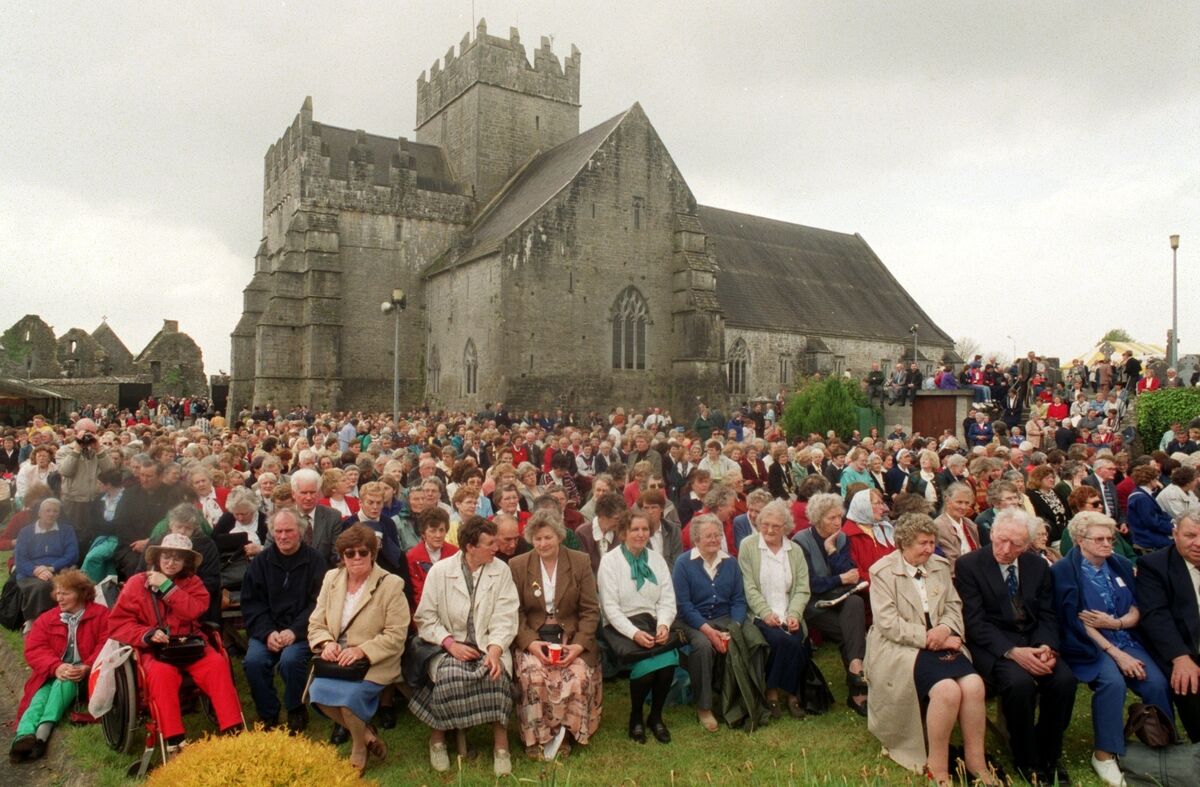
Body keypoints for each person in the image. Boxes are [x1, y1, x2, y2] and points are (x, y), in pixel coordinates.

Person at [864, 513, 997, 786]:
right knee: (946, 690)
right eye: (922, 543)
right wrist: (929, 639)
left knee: (973, 685)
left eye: (932, 542)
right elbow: (887, 623)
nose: (928, 548)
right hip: (900, 645)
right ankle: (937, 767)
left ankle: (976, 761)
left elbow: (953, 605)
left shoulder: (939, 565)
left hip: (942, 637)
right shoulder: (881, 571)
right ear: (903, 543)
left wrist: (946, 630)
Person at [954, 509, 1077, 784]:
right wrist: (1013, 652)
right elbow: (974, 622)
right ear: (992, 533)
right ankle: (1027, 758)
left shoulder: (1037, 566)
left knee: (1064, 681)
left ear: (1028, 545)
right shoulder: (969, 565)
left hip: (1033, 641)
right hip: (994, 646)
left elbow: (1046, 613)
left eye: (1016, 544)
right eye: (1001, 540)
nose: (1006, 549)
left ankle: (1049, 751)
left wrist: (1046, 646)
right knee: (1019, 684)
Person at [1051, 511, 1172, 787]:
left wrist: (1117, 623)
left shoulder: (1118, 563)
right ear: (1080, 540)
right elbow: (1077, 621)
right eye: (1100, 539)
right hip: (1088, 644)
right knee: (1112, 682)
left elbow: (1137, 606)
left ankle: (1161, 743)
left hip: (1124, 637)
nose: (1108, 544)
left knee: (1156, 682)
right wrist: (1117, 654)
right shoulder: (1064, 571)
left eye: (1111, 538)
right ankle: (1104, 755)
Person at [107, 533, 244, 755]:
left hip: (190, 643)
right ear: (158, 558)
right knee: (162, 676)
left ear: (186, 563)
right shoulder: (136, 584)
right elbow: (118, 624)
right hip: (155, 650)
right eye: (166, 557)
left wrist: (168, 587)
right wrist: (148, 634)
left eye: (177, 559)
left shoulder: (194, 583)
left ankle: (233, 730)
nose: (171, 563)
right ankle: (174, 739)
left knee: (217, 665)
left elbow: (194, 610)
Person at [409, 516, 519, 777]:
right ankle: (438, 739)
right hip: (447, 646)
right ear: (470, 547)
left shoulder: (500, 570)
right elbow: (425, 617)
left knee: (495, 675)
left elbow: (506, 615)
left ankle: (501, 746)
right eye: (490, 543)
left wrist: (494, 650)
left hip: (488, 644)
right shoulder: (440, 571)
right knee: (449, 677)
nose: (496, 548)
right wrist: (450, 644)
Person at [307, 524, 408, 776]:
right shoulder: (332, 578)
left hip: (374, 660)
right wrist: (325, 643)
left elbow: (397, 634)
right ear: (341, 556)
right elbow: (316, 622)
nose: (356, 558)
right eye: (349, 553)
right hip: (337, 659)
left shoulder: (391, 583)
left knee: (349, 701)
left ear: (372, 553)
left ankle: (358, 748)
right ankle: (366, 735)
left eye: (362, 552)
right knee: (317, 693)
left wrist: (362, 650)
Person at [509, 509, 603, 760]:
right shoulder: (518, 565)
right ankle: (535, 739)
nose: (543, 543)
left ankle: (565, 735)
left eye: (548, 537)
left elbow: (591, 610)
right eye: (538, 538)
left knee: (577, 675)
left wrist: (579, 646)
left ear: (559, 536)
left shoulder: (580, 561)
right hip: (534, 636)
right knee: (534, 677)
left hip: (570, 637)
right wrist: (530, 643)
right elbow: (514, 612)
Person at [240, 508, 325, 732]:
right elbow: (252, 603)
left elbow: (318, 604)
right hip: (267, 631)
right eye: (278, 531)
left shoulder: (315, 561)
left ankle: (295, 708)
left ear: (301, 532)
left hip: (301, 632)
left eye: (289, 530)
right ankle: (268, 713)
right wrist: (268, 632)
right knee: (254, 662)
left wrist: (294, 631)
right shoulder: (260, 562)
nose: (283, 536)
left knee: (291, 661)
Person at [598, 509, 679, 744]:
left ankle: (655, 717)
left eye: (645, 529)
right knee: (646, 663)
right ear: (623, 533)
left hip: (652, 621)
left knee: (668, 662)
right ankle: (635, 716)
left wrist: (663, 625)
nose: (641, 534)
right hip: (620, 625)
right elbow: (610, 608)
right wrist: (634, 633)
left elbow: (667, 599)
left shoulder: (657, 560)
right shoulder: (610, 562)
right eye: (635, 529)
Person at [10, 571, 108, 763]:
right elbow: (35, 650)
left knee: (63, 683)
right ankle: (23, 736)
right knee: (39, 696)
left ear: (81, 593)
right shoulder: (47, 619)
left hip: (85, 675)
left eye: (65, 593)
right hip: (51, 672)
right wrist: (55, 667)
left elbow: (106, 644)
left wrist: (87, 666)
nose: (59, 598)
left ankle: (41, 736)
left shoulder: (102, 615)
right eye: (57, 593)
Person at [672, 513, 750, 732]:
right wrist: (708, 631)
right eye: (708, 536)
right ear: (696, 539)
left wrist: (734, 626)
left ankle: (737, 700)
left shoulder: (730, 563)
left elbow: (738, 599)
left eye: (717, 535)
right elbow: (684, 605)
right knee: (704, 646)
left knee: (740, 639)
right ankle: (704, 707)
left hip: (724, 617)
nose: (714, 540)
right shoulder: (683, 563)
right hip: (692, 620)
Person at [792, 492, 868, 715]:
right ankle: (858, 693)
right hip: (811, 604)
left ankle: (856, 668)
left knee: (854, 602)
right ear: (816, 519)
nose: (838, 522)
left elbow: (850, 573)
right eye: (831, 518)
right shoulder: (800, 541)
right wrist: (837, 580)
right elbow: (808, 583)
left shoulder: (840, 539)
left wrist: (832, 549)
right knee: (851, 631)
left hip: (839, 599)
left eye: (839, 517)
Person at [739, 500, 814, 718]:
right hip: (760, 613)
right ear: (759, 524)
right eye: (765, 524)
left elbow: (802, 588)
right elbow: (748, 586)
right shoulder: (748, 546)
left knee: (798, 638)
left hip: (788, 611)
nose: (770, 530)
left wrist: (794, 615)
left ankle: (778, 691)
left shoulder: (795, 550)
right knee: (784, 641)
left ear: (786, 527)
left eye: (776, 526)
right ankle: (784, 693)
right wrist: (765, 613)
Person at [1136, 512, 1200, 742]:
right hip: (1181, 647)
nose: (1198, 543)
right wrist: (1180, 657)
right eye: (1190, 535)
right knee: (1188, 682)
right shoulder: (1155, 566)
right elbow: (1156, 616)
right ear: (1175, 535)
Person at [14, 498, 79, 625]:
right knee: (41, 586)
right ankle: (35, 621)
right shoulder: (26, 532)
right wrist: (36, 570)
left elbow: (72, 555)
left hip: (59, 570)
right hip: (30, 573)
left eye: (55, 511)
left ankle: (65, 620)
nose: (51, 514)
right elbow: (20, 559)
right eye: (47, 510)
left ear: (59, 514)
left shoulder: (67, 530)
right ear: (39, 513)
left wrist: (52, 567)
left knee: (68, 586)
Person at [841, 487, 896, 590]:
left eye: (882, 503)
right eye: (877, 503)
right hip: (870, 592)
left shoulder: (884, 529)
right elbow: (856, 574)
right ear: (863, 506)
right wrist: (885, 585)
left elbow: (896, 559)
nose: (883, 508)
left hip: (893, 585)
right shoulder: (848, 536)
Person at [407, 507, 459, 610]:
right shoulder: (412, 556)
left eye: (441, 530)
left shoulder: (455, 553)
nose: (438, 535)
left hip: (452, 608)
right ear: (423, 533)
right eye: (433, 531)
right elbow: (418, 592)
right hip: (425, 608)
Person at [1125, 464, 1174, 551]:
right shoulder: (1141, 498)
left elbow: (1159, 516)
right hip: (1147, 537)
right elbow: (1152, 522)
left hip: (1148, 534)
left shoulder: (1142, 494)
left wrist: (1173, 523)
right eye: (1156, 479)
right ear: (1151, 480)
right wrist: (1173, 528)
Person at [932, 482, 980, 570]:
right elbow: (951, 560)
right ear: (947, 501)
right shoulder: (939, 526)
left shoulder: (970, 524)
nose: (963, 507)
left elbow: (979, 553)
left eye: (967, 503)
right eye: (959, 502)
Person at [1026, 465, 1070, 543]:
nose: (1051, 480)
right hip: (1050, 537)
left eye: (1052, 477)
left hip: (1065, 534)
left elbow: (1068, 512)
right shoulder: (1032, 496)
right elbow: (1041, 518)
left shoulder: (1056, 492)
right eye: (1047, 478)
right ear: (1038, 479)